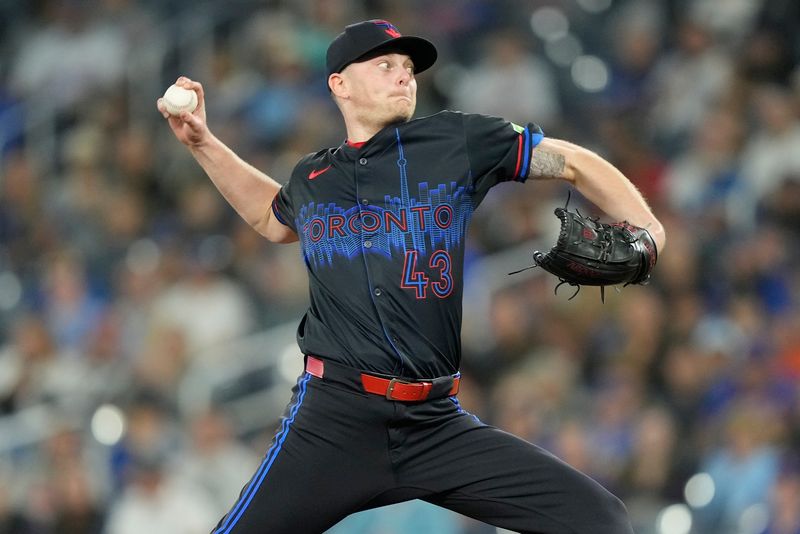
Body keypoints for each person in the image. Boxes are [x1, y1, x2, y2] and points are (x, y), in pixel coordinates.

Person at [157, 19, 666, 534]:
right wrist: (202, 142)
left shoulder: (454, 140)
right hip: (334, 419)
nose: (404, 76)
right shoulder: (314, 177)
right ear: (340, 84)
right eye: (385, 66)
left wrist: (647, 229)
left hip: (434, 421)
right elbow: (271, 217)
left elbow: (573, 163)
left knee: (601, 520)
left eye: (408, 68)